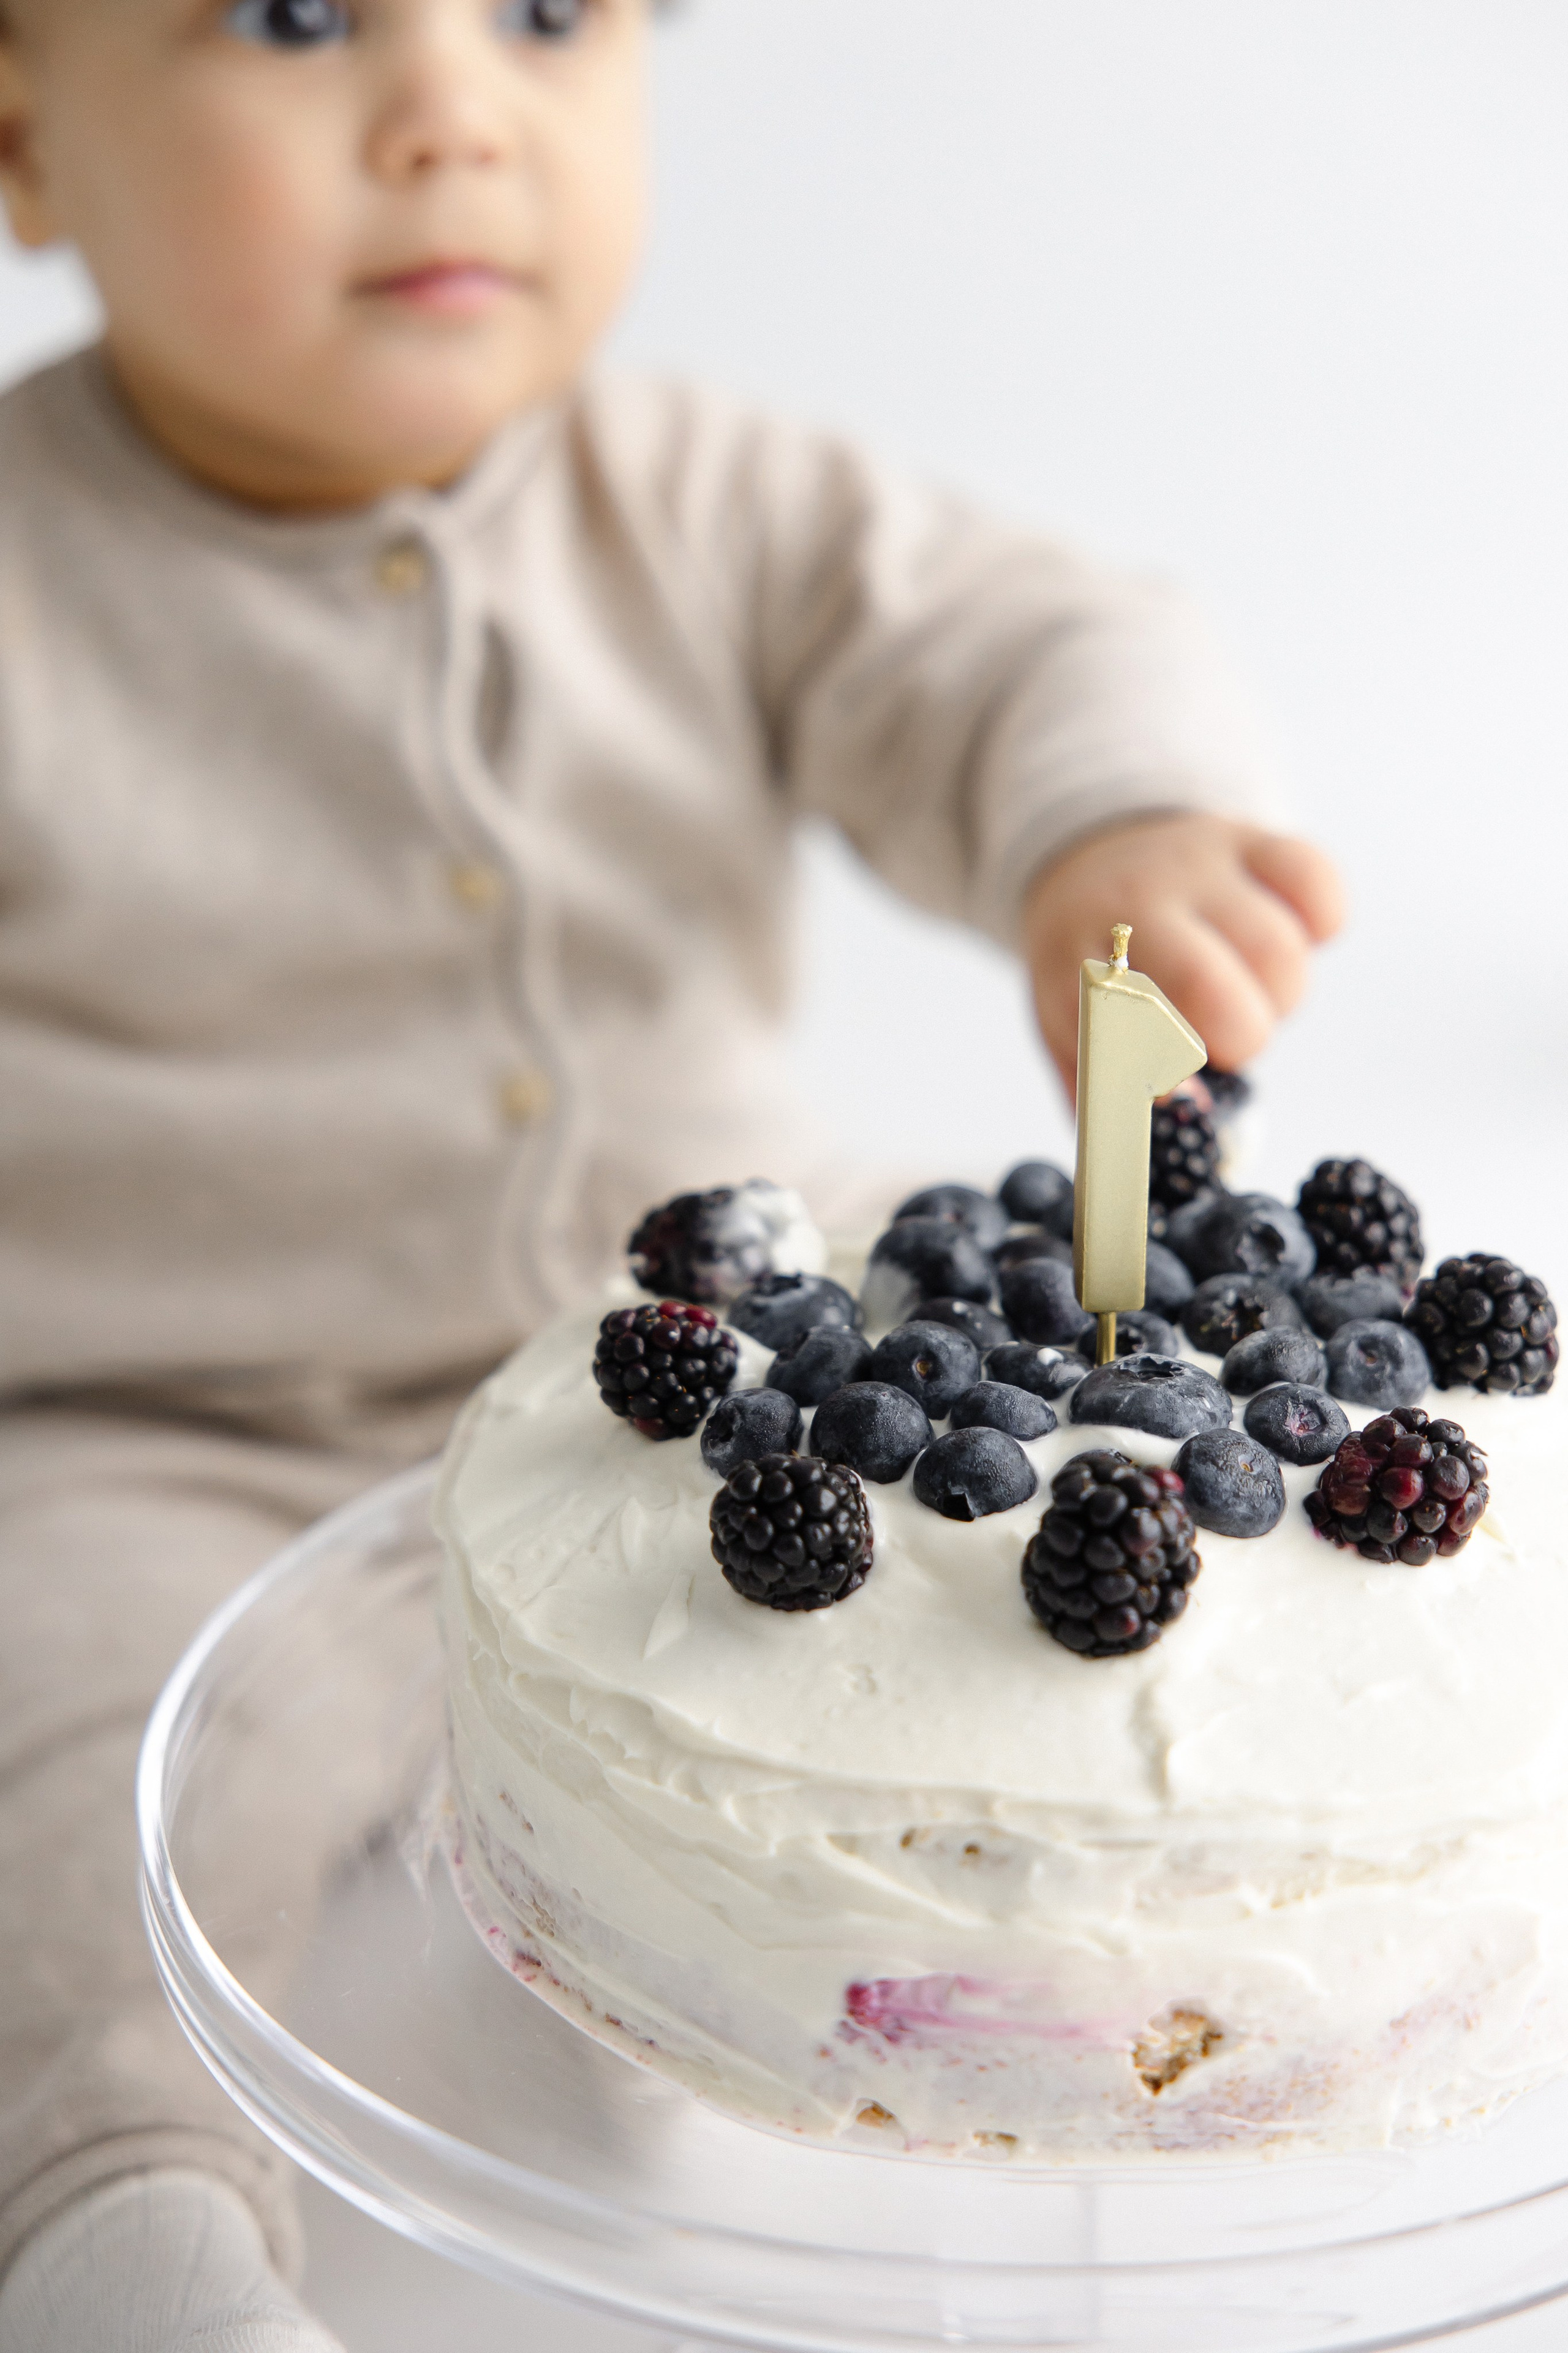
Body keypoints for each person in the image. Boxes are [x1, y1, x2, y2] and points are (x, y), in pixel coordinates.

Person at [0, 1, 1343, 2345]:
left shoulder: (701, 492)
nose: (450, 110)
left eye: (546, 12)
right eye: (298, 16)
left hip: (736, 1360)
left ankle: (915, 2034)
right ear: (23, 138)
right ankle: (137, 2240)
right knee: (79, 1788)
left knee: (1021, 1549)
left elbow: (1015, 635)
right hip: (169, 1422)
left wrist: (1102, 821)